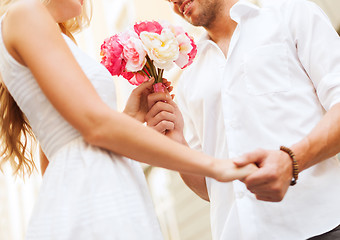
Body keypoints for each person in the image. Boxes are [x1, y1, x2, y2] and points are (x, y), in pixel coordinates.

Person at [0, 0, 257, 239]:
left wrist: (130, 118)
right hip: (96, 196)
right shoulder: (26, 13)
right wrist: (217, 167)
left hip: (100, 186)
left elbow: (60, 155)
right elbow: (95, 126)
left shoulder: (51, 32)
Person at [147, 0, 340, 239]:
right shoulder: (189, 78)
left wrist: (292, 161)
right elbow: (212, 189)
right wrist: (176, 143)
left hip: (320, 227)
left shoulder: (292, 14)